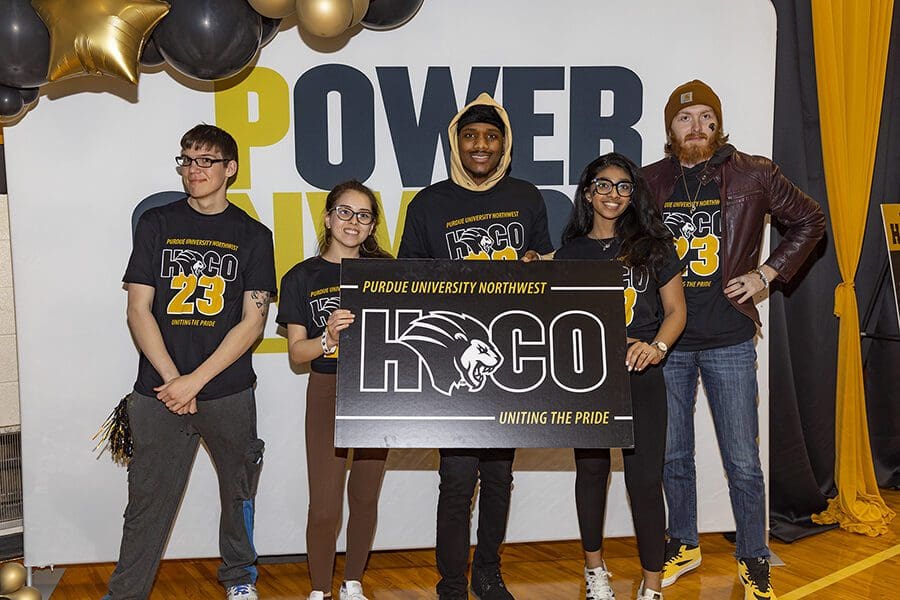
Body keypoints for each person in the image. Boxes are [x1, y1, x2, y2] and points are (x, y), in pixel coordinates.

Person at [643, 80, 826, 600]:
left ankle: (752, 553)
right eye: (684, 119)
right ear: (670, 129)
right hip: (668, 338)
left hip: (727, 336)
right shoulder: (649, 180)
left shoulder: (754, 172)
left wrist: (767, 273)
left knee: (742, 458)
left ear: (717, 123)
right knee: (673, 453)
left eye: (705, 116)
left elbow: (811, 220)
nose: (696, 126)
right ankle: (684, 541)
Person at [105, 124, 276, 600]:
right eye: (187, 160)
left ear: (230, 169)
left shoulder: (253, 235)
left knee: (238, 491)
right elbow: (138, 309)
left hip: (228, 392)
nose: (194, 170)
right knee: (145, 502)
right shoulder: (156, 223)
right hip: (159, 392)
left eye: (206, 161)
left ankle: (240, 579)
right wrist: (173, 381)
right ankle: (125, 593)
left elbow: (253, 322)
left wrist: (195, 382)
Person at [398, 93, 554, 600]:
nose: (480, 145)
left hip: (508, 356)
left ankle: (488, 572)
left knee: (500, 476)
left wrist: (538, 265)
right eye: (470, 136)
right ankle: (451, 582)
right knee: (457, 478)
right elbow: (405, 280)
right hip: (455, 361)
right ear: (456, 143)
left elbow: (547, 275)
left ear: (504, 145)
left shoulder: (528, 196)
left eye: (491, 137)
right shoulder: (428, 203)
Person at [555, 152, 686, 600]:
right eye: (604, 185)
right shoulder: (570, 250)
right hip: (588, 378)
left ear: (634, 195)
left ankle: (652, 586)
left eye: (623, 186)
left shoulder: (653, 245)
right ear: (588, 191)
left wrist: (657, 348)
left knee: (645, 481)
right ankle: (596, 573)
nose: (613, 194)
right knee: (590, 474)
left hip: (640, 374)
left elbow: (675, 311)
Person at [277, 181, 391, 600]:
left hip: (379, 392)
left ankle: (353, 582)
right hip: (327, 387)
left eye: (363, 215)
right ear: (327, 217)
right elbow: (297, 352)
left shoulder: (387, 271)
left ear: (372, 225)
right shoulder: (301, 276)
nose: (353, 222)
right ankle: (320, 589)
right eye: (344, 212)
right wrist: (328, 339)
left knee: (364, 495)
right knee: (325, 503)